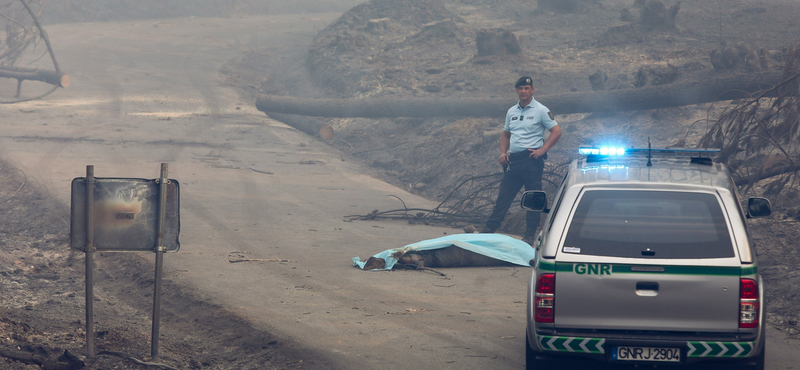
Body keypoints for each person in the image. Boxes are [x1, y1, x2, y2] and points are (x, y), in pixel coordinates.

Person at [481, 76, 562, 244]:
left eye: (527, 88)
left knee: (532, 199)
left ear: (532, 90)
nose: (524, 91)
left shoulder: (541, 110)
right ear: (516, 91)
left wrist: (543, 149)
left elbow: (556, 131)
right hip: (514, 161)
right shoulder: (512, 111)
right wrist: (503, 152)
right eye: (520, 88)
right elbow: (506, 134)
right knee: (504, 196)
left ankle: (529, 236)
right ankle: (488, 230)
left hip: (532, 159)